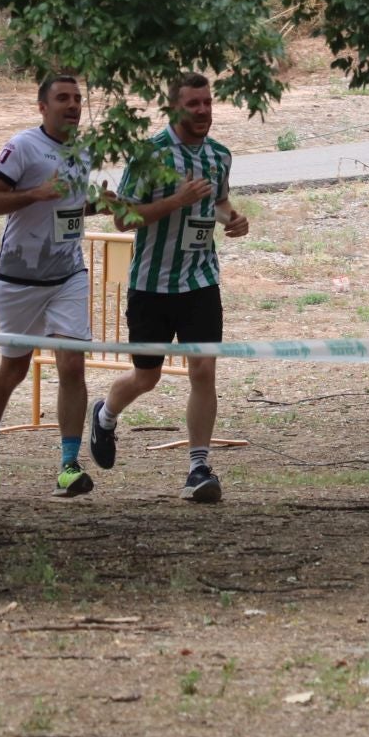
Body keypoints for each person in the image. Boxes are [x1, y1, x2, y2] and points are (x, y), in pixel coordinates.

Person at [89, 74, 250, 504]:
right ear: (175, 108)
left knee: (203, 371)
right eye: (194, 104)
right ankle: (104, 416)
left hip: (201, 280)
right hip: (151, 285)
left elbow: (218, 202)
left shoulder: (219, 155)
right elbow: (122, 220)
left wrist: (233, 220)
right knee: (147, 377)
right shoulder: (151, 156)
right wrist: (175, 201)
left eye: (208, 103)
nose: (203, 111)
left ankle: (199, 468)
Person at [0, 76, 96, 497]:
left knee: (73, 365)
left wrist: (102, 203)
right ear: (42, 107)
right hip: (19, 279)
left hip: (68, 275)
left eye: (78, 98)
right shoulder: (23, 146)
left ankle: (68, 464)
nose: (73, 105)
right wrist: (36, 192)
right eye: (63, 98)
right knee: (15, 368)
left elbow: (73, 207)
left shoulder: (85, 149)